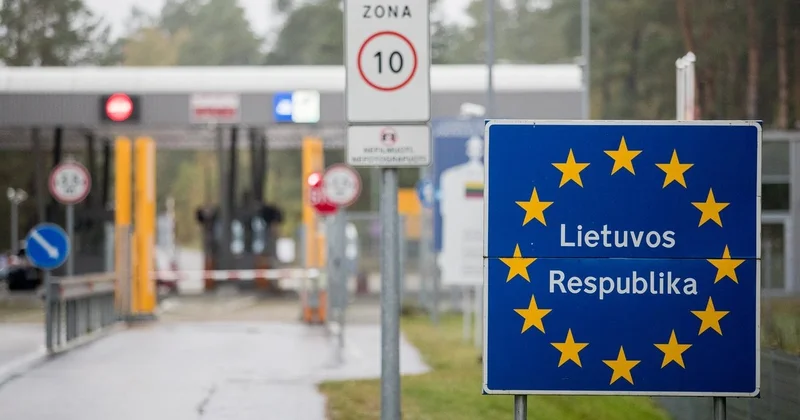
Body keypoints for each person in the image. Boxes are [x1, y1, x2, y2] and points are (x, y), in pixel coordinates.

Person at [437, 134, 485, 288]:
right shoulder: (452, 176)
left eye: (478, 147)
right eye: (472, 147)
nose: (475, 151)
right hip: (462, 239)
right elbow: (447, 210)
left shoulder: (490, 175)